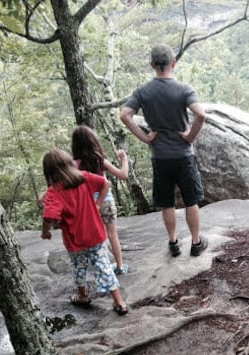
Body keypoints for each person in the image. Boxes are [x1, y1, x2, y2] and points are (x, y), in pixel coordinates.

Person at [120, 43, 208, 258]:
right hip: (184, 155)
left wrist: (146, 138)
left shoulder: (143, 92)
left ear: (152, 65)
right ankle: (196, 243)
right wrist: (189, 137)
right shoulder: (184, 89)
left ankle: (173, 243)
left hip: (160, 157)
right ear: (173, 63)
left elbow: (124, 115)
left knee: (167, 203)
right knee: (191, 200)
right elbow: (201, 115)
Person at [40, 149, 128, 315]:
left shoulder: (54, 192)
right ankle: (119, 302)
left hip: (75, 242)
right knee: (104, 267)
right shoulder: (84, 177)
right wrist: (98, 203)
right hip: (96, 234)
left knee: (79, 268)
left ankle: (82, 296)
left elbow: (48, 217)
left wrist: (46, 232)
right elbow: (106, 183)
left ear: (49, 172)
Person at [71, 125, 129, 275]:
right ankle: (120, 266)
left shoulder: (74, 165)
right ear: (93, 141)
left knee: (98, 237)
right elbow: (123, 174)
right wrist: (124, 159)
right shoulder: (100, 160)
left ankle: (104, 269)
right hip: (106, 201)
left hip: (89, 206)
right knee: (112, 235)